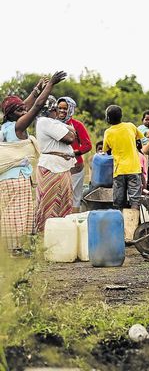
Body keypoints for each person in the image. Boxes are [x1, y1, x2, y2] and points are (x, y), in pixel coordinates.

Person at [0, 72, 66, 253]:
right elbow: (35, 107)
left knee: (8, 214)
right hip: (18, 178)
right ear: (13, 114)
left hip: (5, 179)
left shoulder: (4, 127)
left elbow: (25, 105)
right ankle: (16, 249)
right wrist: (50, 85)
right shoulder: (19, 127)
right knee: (19, 215)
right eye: (20, 111)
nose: (24, 111)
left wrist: (36, 90)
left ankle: (10, 249)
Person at [34, 96, 77, 232]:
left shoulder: (54, 123)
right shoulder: (45, 122)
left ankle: (59, 236)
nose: (59, 111)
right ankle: (45, 237)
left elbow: (72, 131)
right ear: (52, 109)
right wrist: (70, 130)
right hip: (52, 169)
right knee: (48, 205)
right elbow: (70, 137)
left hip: (60, 168)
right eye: (57, 108)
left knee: (63, 203)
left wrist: (70, 130)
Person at [102, 105, 144, 211]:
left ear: (108, 118)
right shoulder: (130, 126)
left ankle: (120, 223)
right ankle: (132, 224)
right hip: (134, 168)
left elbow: (106, 150)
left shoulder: (108, 132)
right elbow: (139, 138)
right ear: (121, 116)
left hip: (119, 170)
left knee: (119, 202)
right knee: (135, 200)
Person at [57, 97, 92, 213]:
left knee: (75, 198)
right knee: (60, 197)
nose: (62, 111)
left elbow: (87, 145)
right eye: (59, 108)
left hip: (76, 167)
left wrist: (73, 153)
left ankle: (73, 222)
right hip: (58, 167)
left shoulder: (77, 125)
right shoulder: (53, 124)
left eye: (65, 108)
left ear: (71, 109)